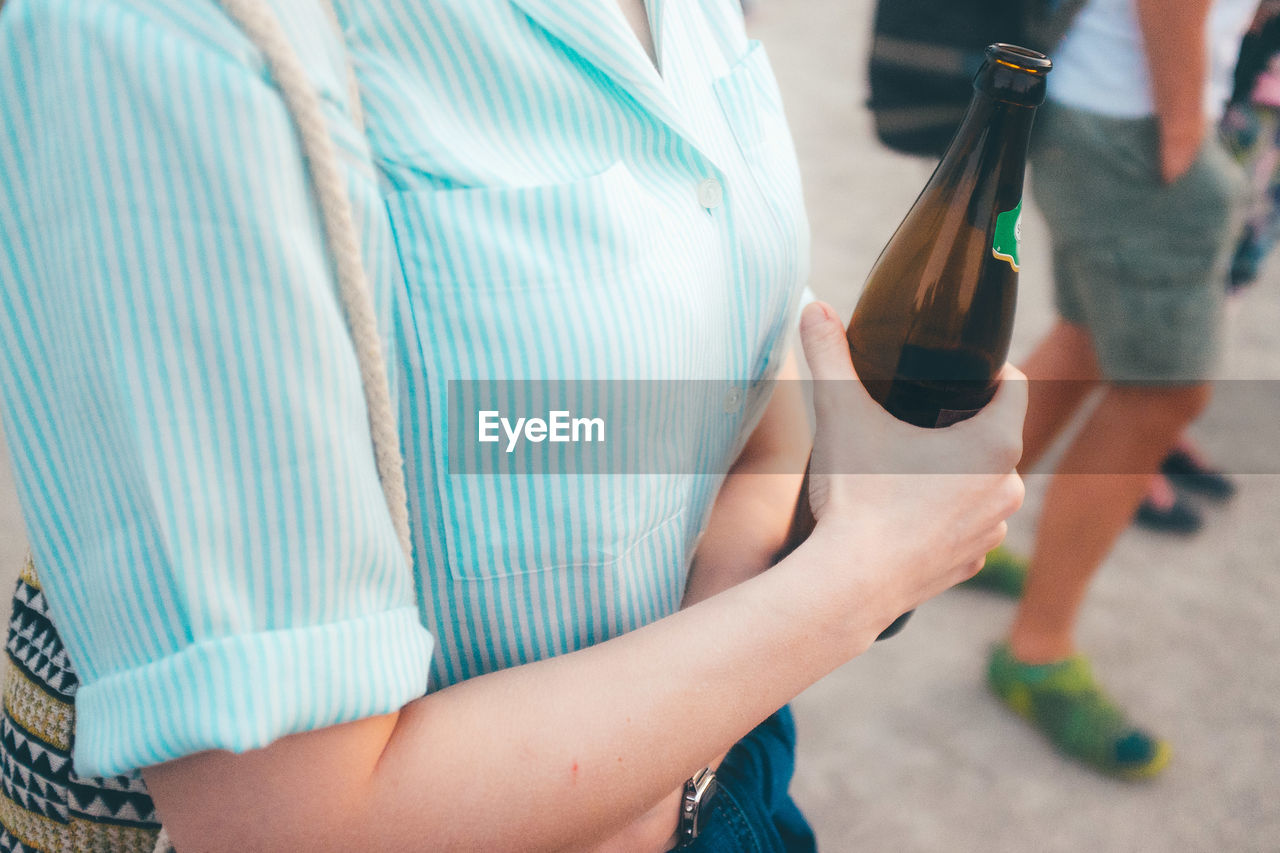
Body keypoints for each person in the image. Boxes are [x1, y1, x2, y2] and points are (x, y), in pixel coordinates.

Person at [0, 0, 1026, 849]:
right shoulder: (165, 34)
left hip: (723, 761)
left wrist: (720, 650)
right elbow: (296, 819)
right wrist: (865, 570)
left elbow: (724, 372)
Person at [969, 0, 1256, 780]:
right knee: (1161, 395)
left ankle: (942, 527)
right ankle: (1036, 652)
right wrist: (1182, 139)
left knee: (1087, 340)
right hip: (1133, 123)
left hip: (1100, 107)